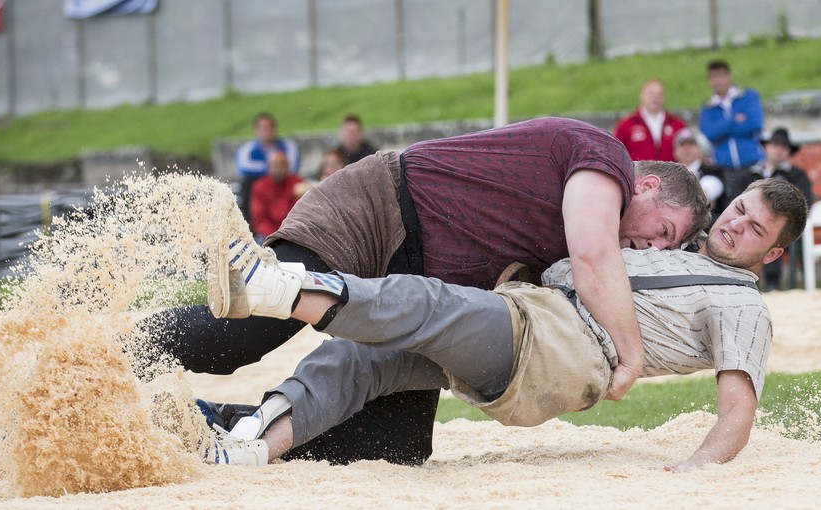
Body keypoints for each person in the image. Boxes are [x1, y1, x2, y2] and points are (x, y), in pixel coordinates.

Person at [145, 117, 710, 466]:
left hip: (418, 281)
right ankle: (110, 351)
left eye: (665, 248)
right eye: (663, 231)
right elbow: (594, 257)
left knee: (393, 446)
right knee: (239, 337)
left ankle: (214, 424)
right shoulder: (606, 157)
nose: (652, 247)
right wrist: (630, 355)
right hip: (377, 213)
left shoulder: (582, 225)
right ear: (647, 185)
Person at [202, 178, 809, 471]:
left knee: (426, 303)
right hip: (530, 318)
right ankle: (251, 447)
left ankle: (278, 286)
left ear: (774, 253)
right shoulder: (676, 249)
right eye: (739, 209)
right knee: (368, 357)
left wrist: (698, 469)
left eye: (755, 229)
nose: (736, 225)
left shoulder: (742, 306)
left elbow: (738, 409)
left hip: (560, 347)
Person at [747, 127, 814, 290]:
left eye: (784, 147)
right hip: (750, 225)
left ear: (789, 151)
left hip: (784, 226)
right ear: (766, 147)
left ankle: (773, 284)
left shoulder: (797, 175)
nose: (779, 150)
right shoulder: (750, 174)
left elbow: (805, 203)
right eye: (775, 145)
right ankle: (747, 283)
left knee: (774, 234)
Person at [698, 60, 764, 207]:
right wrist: (734, 120)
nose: (717, 81)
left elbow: (754, 124)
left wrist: (722, 129)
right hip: (725, 169)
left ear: (729, 76)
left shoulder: (748, 97)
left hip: (752, 164)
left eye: (720, 76)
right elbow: (710, 133)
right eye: (713, 77)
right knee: (732, 207)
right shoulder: (708, 108)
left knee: (758, 204)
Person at [234, 113, 301, 225]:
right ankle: (249, 224)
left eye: (269, 127)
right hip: (260, 184)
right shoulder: (247, 149)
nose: (266, 130)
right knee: (249, 185)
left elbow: (293, 167)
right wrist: (273, 168)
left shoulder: (288, 145)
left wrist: (274, 168)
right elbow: (243, 168)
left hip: (284, 183)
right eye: (262, 127)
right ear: (256, 130)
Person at [614, 79, 687, 162]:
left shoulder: (677, 124)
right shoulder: (626, 125)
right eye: (650, 93)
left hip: (670, 170)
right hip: (637, 170)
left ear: (664, 97)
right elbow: (616, 153)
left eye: (659, 94)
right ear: (641, 95)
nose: (655, 97)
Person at [248, 151, 306, 244]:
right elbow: (259, 218)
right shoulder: (259, 186)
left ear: (288, 166)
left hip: (292, 231)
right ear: (268, 166)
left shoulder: (297, 183)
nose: (278, 169)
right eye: (275, 165)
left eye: (282, 164)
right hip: (268, 233)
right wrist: (276, 235)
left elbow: (302, 214)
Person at [673, 127, 728, 225]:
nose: (686, 149)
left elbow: (708, 190)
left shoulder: (713, 170)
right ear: (675, 151)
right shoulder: (671, 174)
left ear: (700, 149)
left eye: (691, 144)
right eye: (682, 145)